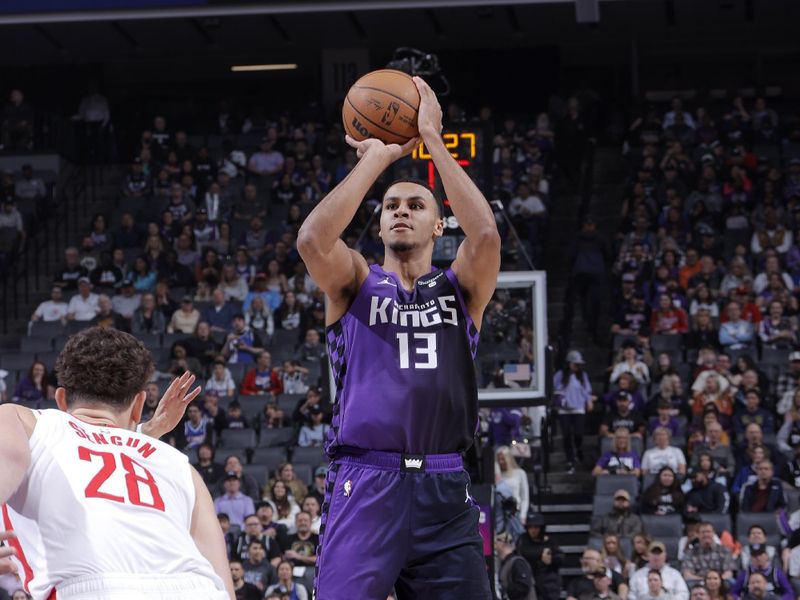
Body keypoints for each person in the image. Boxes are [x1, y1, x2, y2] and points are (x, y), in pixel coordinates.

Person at [296, 76, 498, 599]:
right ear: (381, 225)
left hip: (445, 486)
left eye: (415, 204)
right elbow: (313, 239)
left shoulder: (461, 288)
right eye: (391, 206)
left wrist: (432, 138)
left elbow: (486, 236)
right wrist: (378, 158)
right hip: (366, 479)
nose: (401, 210)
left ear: (438, 226)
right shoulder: (356, 281)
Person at [0, 327, 233, 599]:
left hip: (96, 587)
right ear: (138, 405)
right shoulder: (180, 465)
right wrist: (146, 433)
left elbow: (11, 457)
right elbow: (222, 581)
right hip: (198, 590)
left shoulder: (22, 419)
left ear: (61, 399)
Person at [554, 350, 594, 473]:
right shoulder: (560, 375)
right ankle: (570, 459)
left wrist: (589, 401)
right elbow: (554, 388)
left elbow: (587, 390)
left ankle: (578, 449)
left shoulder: (582, 375)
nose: (577, 366)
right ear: (569, 363)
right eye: (575, 363)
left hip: (578, 408)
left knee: (578, 433)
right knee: (566, 435)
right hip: (564, 409)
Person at [517, 513, 562, 600]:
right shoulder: (522, 540)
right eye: (530, 527)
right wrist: (540, 554)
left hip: (547, 583)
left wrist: (551, 560)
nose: (533, 530)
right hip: (529, 580)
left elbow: (560, 557)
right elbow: (524, 553)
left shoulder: (550, 541)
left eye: (536, 527)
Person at [495, 531, 537, 600]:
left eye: (496, 541)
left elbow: (523, 586)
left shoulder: (518, 562)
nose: (495, 544)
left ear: (502, 543)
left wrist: (505, 590)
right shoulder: (506, 563)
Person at [496, 446, 530, 526]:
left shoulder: (520, 473)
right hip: (499, 514)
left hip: (515, 513)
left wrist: (523, 515)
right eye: (498, 459)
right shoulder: (496, 475)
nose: (501, 462)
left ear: (509, 459)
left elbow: (525, 498)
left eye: (502, 459)